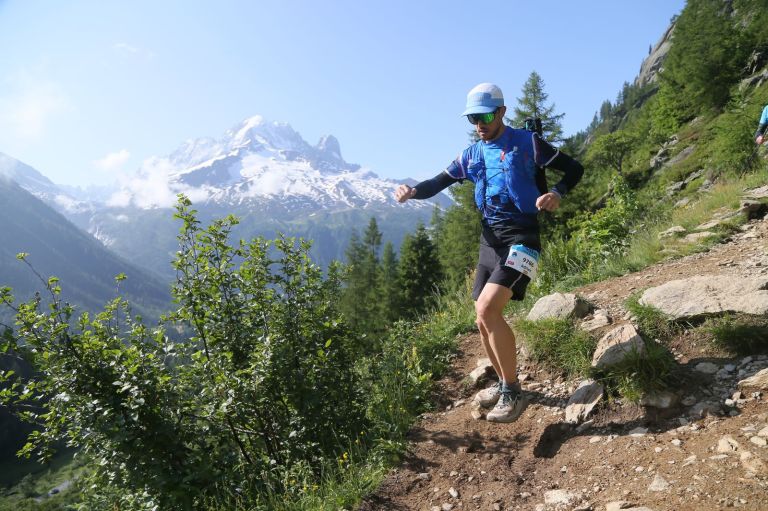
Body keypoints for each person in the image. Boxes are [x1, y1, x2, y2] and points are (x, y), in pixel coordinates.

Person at [395, 83, 583, 423]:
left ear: (501, 112)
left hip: (523, 237)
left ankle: (513, 390)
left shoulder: (528, 144)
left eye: (484, 116)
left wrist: (557, 191)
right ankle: (502, 382)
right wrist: (412, 191)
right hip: (489, 242)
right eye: (472, 118)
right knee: (482, 317)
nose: (478, 124)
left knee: (487, 307)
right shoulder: (472, 154)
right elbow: (437, 182)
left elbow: (574, 169)